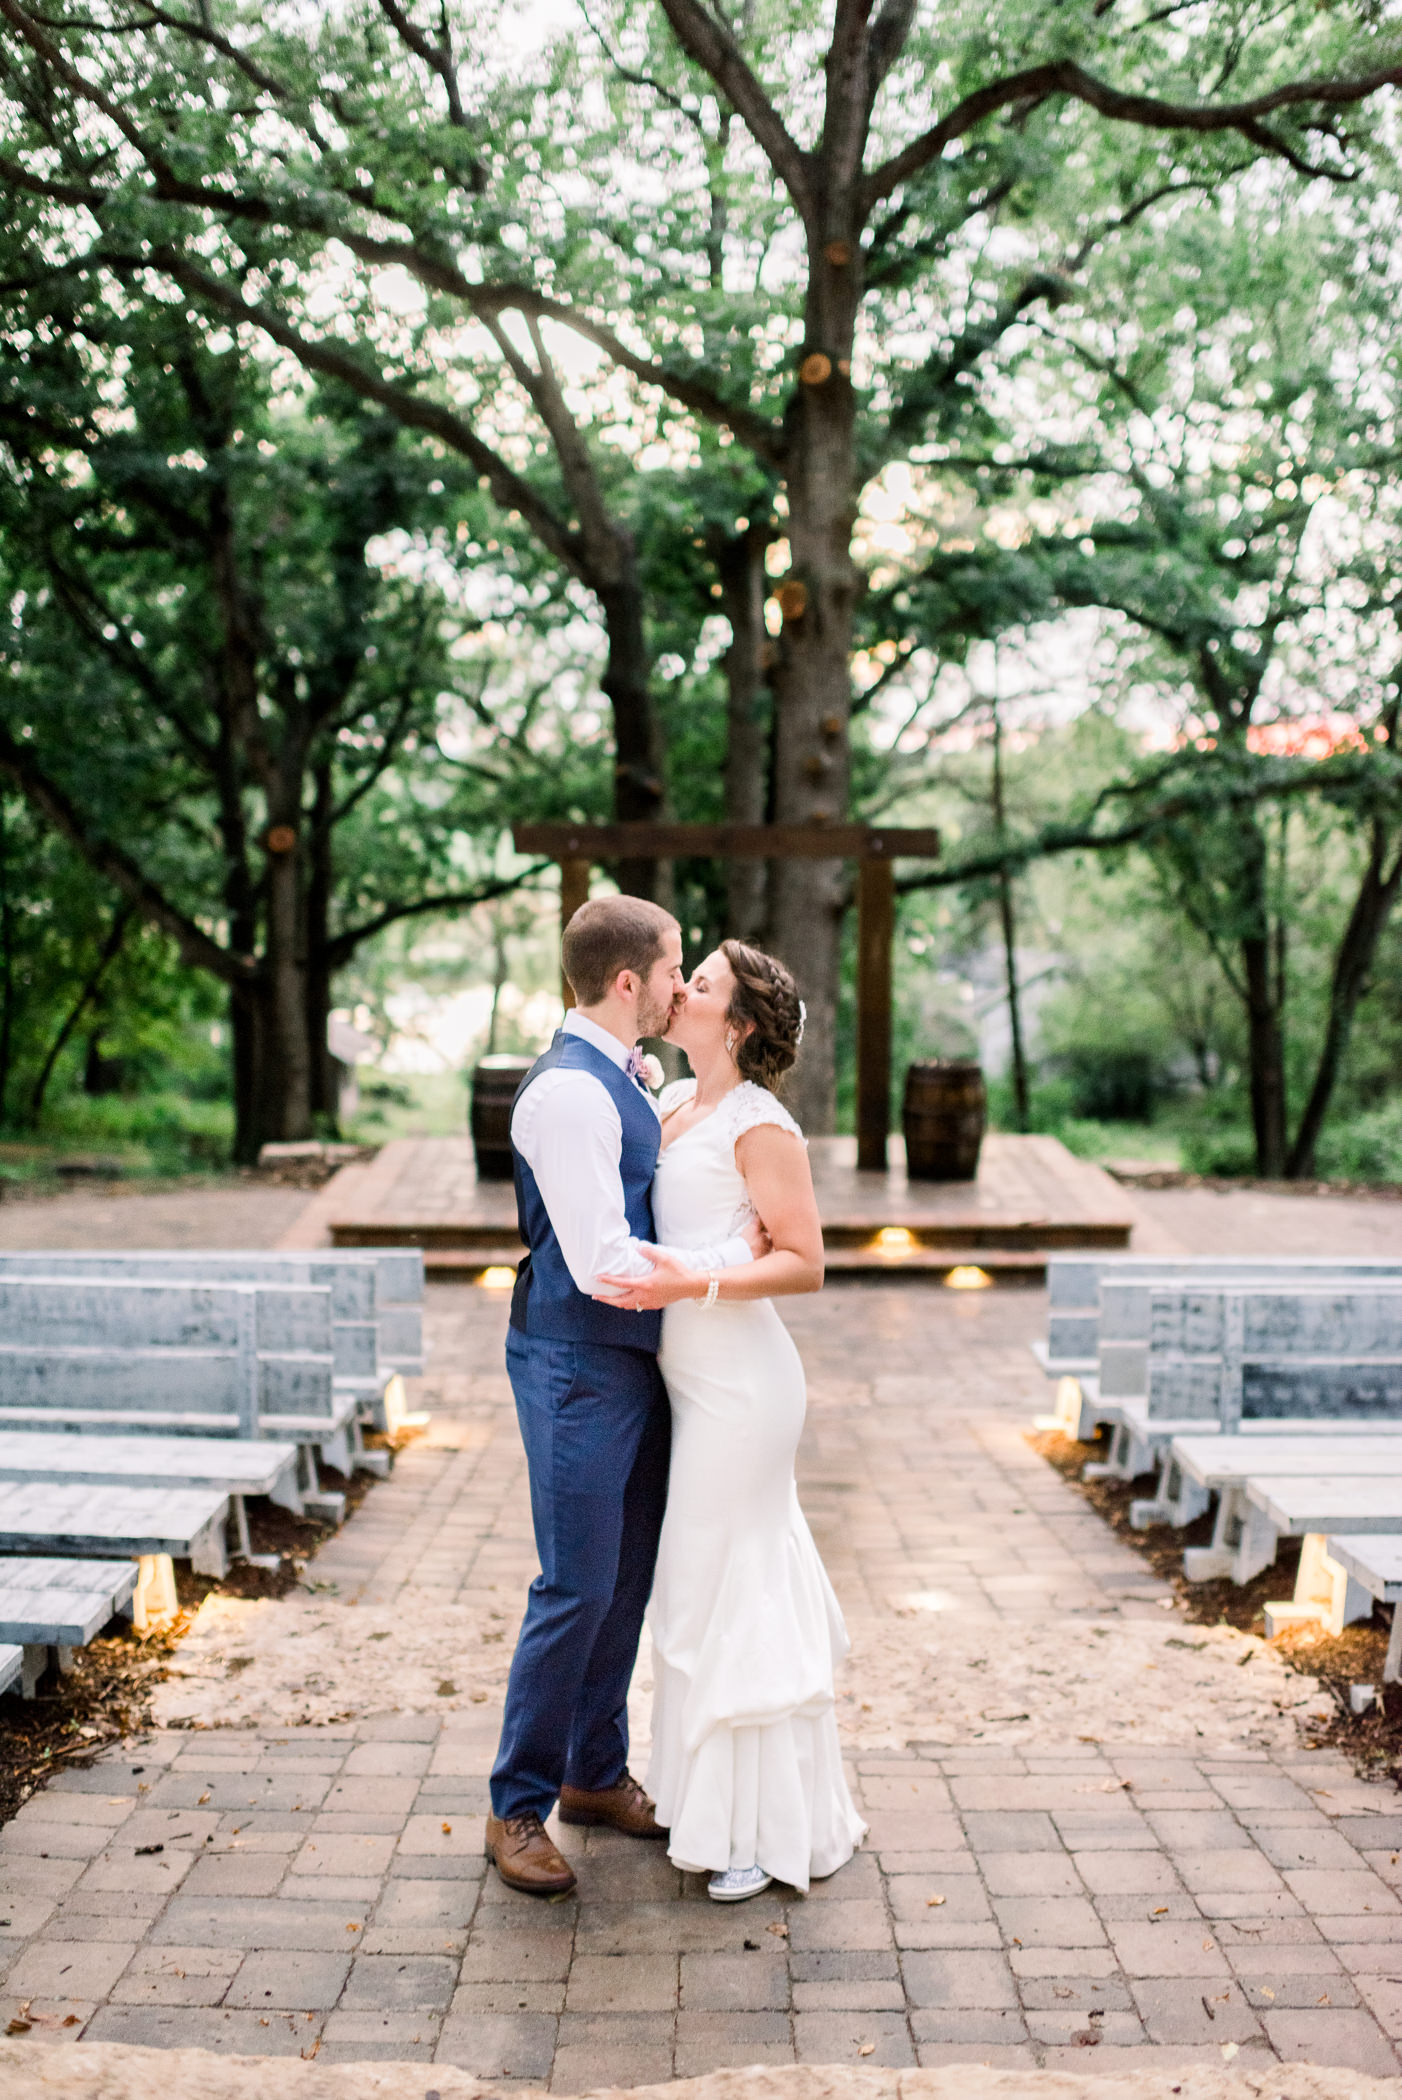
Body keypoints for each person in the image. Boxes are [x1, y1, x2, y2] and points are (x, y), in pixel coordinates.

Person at [485, 897, 762, 1896]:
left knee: (626, 1580)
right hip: (574, 1358)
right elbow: (602, 1259)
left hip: (640, 1358)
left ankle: (592, 1774)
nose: (685, 984)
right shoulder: (568, 1095)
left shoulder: (627, 1077)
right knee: (574, 1585)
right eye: (676, 968)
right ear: (629, 983)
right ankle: (515, 1804)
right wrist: (735, 1258)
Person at [595, 940, 866, 1902]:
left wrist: (697, 1273)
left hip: (745, 1388)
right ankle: (711, 1800)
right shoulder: (669, 1102)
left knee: (731, 1586)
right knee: (692, 1590)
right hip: (684, 1379)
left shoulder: (761, 1124)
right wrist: (696, 1257)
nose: (680, 990)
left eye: (699, 984)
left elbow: (803, 1261)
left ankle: (756, 1832)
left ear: (738, 1025)